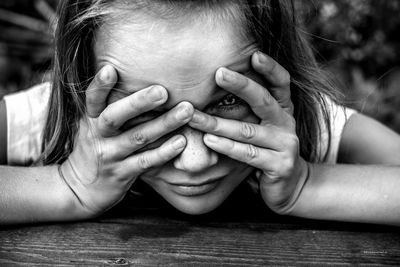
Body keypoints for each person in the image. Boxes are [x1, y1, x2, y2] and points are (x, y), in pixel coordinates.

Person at [1, 0, 400, 225]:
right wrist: (67, 185)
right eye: (146, 112)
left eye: (229, 101)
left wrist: (308, 185)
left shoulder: (300, 126)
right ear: (79, 87)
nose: (196, 161)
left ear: (282, 79)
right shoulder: (53, 119)